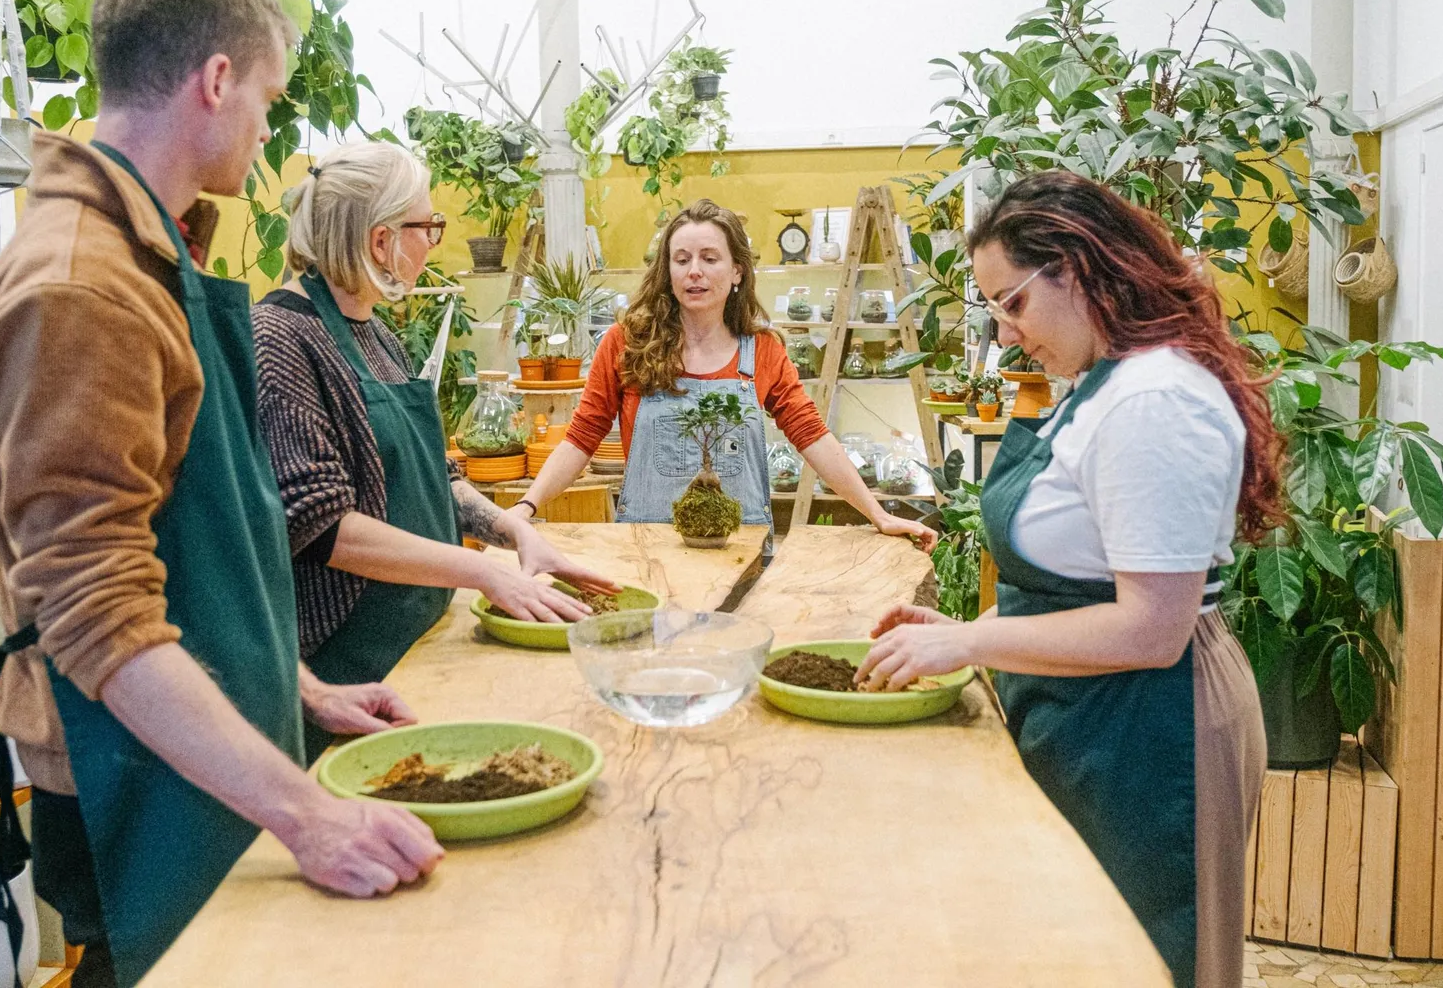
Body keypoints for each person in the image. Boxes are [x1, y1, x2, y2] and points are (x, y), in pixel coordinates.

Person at [0, 0, 441, 988]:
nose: (269, 132)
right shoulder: (79, 288)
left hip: (203, 748)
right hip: (132, 770)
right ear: (216, 81)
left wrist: (294, 681)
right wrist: (307, 813)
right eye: (266, 97)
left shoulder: (152, 258)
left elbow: (183, 542)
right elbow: (97, 616)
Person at [856, 171, 1274, 988]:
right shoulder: (1102, 382)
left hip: (1154, 730)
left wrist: (974, 641)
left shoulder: (1154, 400)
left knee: (1149, 957)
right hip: (1096, 714)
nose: (1006, 335)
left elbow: (1151, 629)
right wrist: (956, 638)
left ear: (1075, 269)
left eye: (1012, 303)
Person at [252, 141, 616, 761]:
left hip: (417, 638)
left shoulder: (374, 332)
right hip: (344, 669)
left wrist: (514, 533)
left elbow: (435, 479)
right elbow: (321, 529)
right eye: (427, 226)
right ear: (380, 241)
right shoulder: (281, 340)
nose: (435, 243)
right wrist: (479, 572)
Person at [512, 198, 935, 549]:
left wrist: (878, 515)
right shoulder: (627, 344)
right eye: (682, 259)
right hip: (648, 549)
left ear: (736, 272)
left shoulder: (763, 351)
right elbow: (582, 437)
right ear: (668, 271)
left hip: (740, 550)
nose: (694, 270)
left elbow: (812, 436)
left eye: (709, 258)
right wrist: (527, 506)